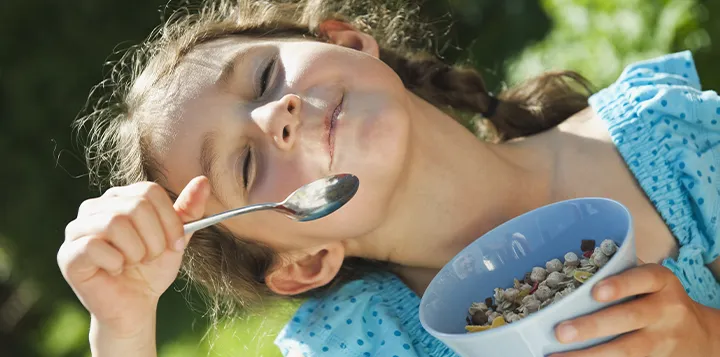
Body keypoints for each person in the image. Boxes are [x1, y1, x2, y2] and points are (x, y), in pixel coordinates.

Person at [57, 0, 720, 356]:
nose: (275, 113)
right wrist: (123, 329)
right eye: (247, 163)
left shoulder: (659, 133)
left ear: (346, 44)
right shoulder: (370, 344)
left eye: (264, 77)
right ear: (305, 263)